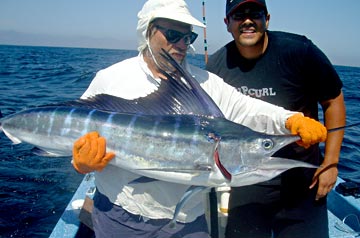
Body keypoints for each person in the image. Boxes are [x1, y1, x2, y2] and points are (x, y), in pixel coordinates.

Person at [71, 0, 327, 237]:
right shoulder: (110, 78)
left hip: (188, 219)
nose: (182, 44)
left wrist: (291, 120)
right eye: (173, 35)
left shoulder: (206, 84)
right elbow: (73, 126)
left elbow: (249, 109)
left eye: (188, 36)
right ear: (148, 32)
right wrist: (80, 161)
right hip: (121, 214)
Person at [206, 0, 346, 237]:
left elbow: (333, 101)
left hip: (303, 181)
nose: (247, 20)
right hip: (246, 180)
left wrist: (330, 164)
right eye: (239, 15)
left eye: (255, 13)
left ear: (267, 19)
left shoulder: (299, 51)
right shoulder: (217, 68)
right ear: (227, 23)